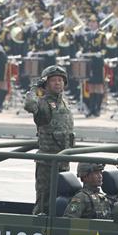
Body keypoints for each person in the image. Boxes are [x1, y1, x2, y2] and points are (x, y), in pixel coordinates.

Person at [24, 64, 75, 215]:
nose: (58, 83)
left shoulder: (65, 103)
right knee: (44, 201)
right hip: (47, 163)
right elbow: (29, 105)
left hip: (63, 161)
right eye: (53, 80)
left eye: (60, 80)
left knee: (62, 199)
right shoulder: (43, 103)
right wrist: (35, 88)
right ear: (46, 84)